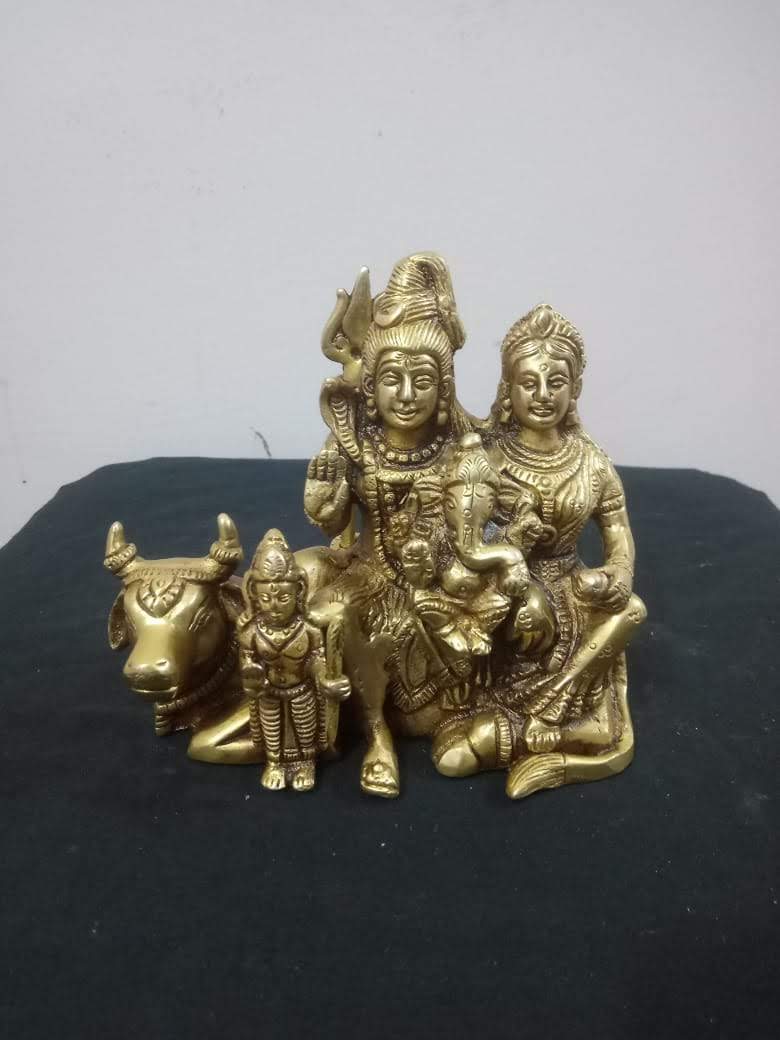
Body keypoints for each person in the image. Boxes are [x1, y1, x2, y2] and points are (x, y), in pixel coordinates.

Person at [432, 303, 647, 798]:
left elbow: (617, 529)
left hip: (571, 589)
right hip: (504, 591)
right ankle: (527, 718)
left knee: (632, 610)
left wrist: (617, 573)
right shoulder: (486, 454)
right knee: (451, 754)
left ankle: (557, 709)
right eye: (529, 383)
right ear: (508, 388)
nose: (543, 394)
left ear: (575, 388)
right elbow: (459, 533)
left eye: (556, 382)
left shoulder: (591, 461)